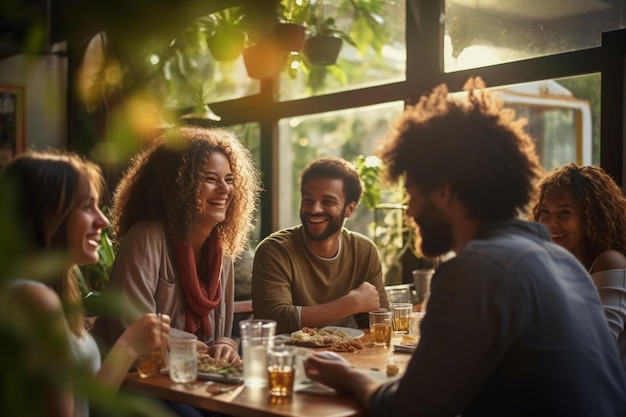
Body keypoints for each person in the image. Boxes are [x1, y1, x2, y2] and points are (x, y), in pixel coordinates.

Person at [303, 79, 626, 416]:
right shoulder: (563, 262)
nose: (409, 210)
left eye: (412, 193)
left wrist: (349, 377)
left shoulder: (476, 270)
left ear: (443, 192)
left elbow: (411, 408)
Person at [0, 150, 170, 417]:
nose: (102, 221)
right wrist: (128, 345)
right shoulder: (36, 300)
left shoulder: (36, 292)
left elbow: (81, 400)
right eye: (86, 206)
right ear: (46, 214)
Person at [91, 126, 261, 363]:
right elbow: (131, 332)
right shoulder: (146, 237)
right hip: (131, 380)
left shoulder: (222, 250)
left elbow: (221, 337)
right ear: (179, 186)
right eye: (210, 179)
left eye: (229, 180)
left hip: (192, 376)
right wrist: (199, 348)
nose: (224, 189)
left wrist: (225, 344)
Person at [252, 156, 389, 335]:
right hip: (286, 358)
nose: (315, 209)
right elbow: (274, 320)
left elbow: (377, 321)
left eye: (328, 202)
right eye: (308, 200)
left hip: (343, 355)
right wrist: (351, 303)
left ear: (350, 209)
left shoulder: (364, 250)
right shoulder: (275, 250)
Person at [530, 163, 626, 375]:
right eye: (544, 212)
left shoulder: (609, 261)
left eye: (564, 213)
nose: (550, 222)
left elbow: (600, 345)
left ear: (591, 219)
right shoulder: (555, 267)